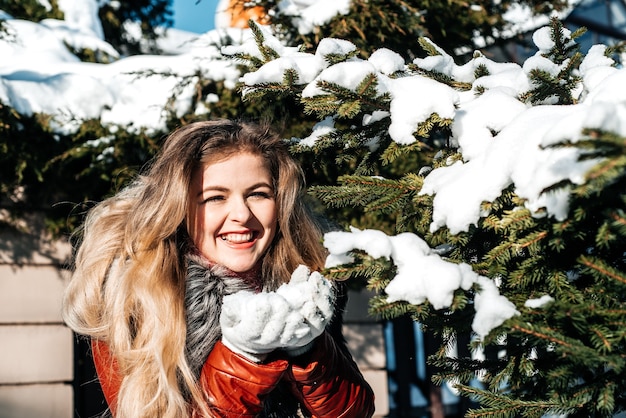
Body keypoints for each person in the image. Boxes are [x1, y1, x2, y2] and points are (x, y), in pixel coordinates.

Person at [62, 119, 375, 418]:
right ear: (179, 207)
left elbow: (354, 412)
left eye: (258, 194)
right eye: (214, 198)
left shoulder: (297, 278)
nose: (241, 214)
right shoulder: (134, 292)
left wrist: (308, 349)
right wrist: (243, 357)